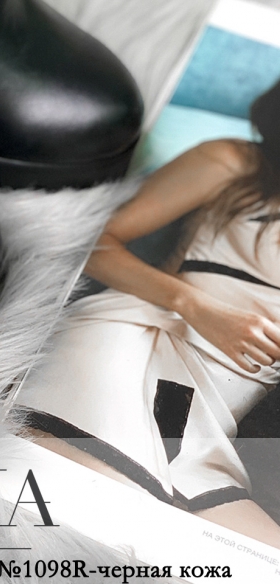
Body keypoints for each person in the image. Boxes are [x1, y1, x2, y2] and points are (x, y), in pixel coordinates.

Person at [16, 80, 280, 548]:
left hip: (210, 421)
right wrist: (196, 305)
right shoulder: (237, 162)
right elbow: (95, 243)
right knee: (74, 511)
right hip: (143, 342)